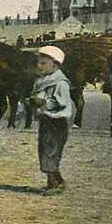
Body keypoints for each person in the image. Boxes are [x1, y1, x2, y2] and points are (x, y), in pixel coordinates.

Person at [30, 46, 73, 195]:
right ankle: (56, 181)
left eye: (43, 64)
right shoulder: (44, 80)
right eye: (38, 63)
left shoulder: (61, 83)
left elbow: (61, 101)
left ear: (55, 65)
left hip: (57, 121)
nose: (39, 66)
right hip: (47, 119)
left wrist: (43, 102)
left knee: (50, 151)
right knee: (45, 150)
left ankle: (54, 184)